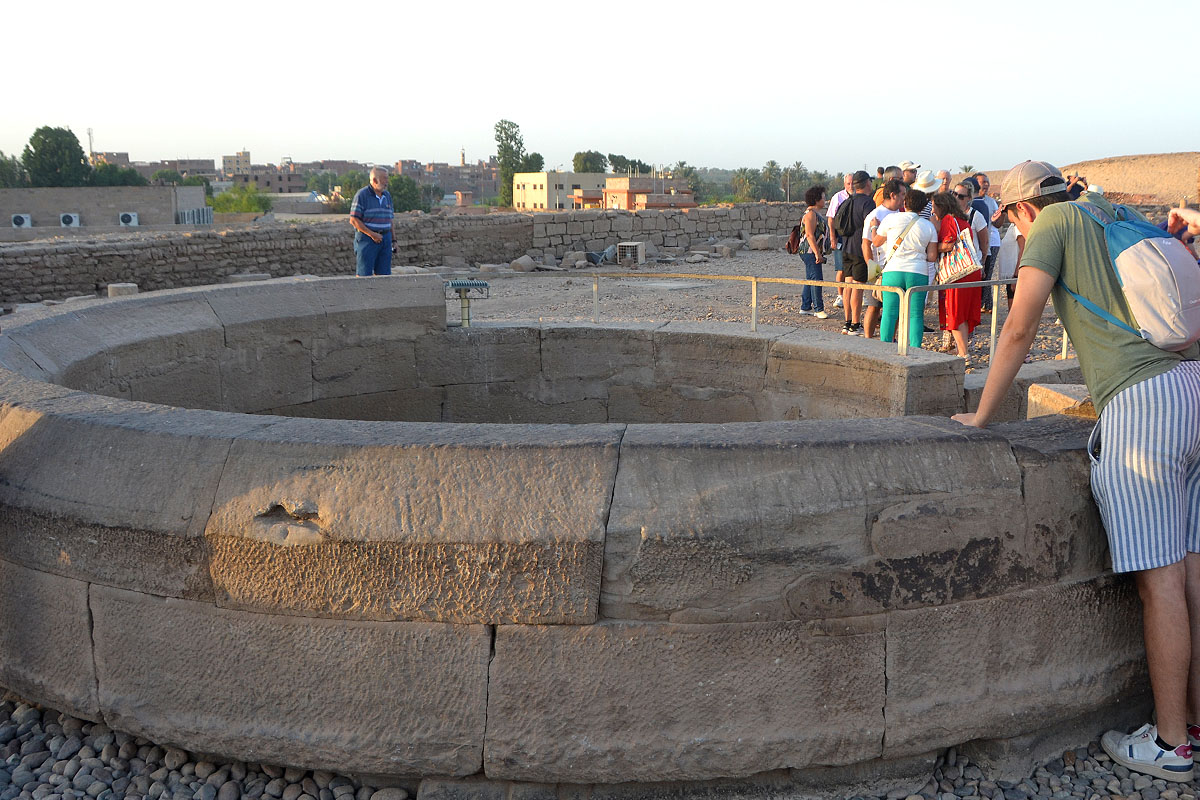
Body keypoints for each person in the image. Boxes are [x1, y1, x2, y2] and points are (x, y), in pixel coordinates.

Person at [953, 160, 1200, 783]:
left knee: (1161, 581)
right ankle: (1195, 721)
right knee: (1195, 572)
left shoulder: (1052, 225)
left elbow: (1019, 324)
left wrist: (983, 415)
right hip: (1193, 387)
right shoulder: (1116, 211)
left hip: (1143, 404)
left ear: (1019, 210)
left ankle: (1171, 743)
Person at [873, 189, 937, 349]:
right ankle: (915, 349)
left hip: (893, 270)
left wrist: (874, 227)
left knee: (889, 311)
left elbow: (876, 241)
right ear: (923, 207)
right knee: (915, 314)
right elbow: (932, 256)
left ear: (905, 203)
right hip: (918, 271)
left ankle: (885, 348)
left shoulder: (890, 219)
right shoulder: (928, 226)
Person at [931, 192, 982, 362]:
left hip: (958, 274)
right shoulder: (963, 220)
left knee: (955, 312)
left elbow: (947, 244)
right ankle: (963, 349)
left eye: (934, 206)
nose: (932, 209)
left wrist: (931, 247)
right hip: (970, 271)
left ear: (941, 206)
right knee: (965, 313)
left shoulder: (948, 220)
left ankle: (963, 352)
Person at [861, 180, 906, 338]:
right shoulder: (874, 215)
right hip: (879, 266)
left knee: (893, 308)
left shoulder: (901, 215)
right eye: (902, 195)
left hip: (896, 267)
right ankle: (868, 338)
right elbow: (866, 243)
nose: (904, 198)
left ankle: (890, 340)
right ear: (893, 195)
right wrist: (872, 267)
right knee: (874, 306)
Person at [836, 171, 877, 336]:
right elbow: (870, 225)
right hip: (860, 249)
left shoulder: (847, 201)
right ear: (867, 183)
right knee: (857, 288)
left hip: (846, 247)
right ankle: (855, 324)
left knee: (848, 285)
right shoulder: (868, 203)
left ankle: (847, 322)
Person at [349, 167, 395, 276]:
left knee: (384, 276)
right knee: (364, 275)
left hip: (385, 239)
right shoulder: (362, 195)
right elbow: (354, 220)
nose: (387, 182)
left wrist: (394, 240)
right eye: (384, 178)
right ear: (374, 180)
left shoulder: (387, 196)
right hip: (367, 240)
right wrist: (372, 234)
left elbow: (390, 220)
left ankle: (381, 293)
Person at [797, 185, 830, 319]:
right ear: (816, 199)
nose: (825, 200)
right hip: (810, 251)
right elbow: (810, 235)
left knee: (810, 278)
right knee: (817, 279)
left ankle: (805, 306)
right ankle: (818, 309)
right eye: (823, 197)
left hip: (812, 251)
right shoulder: (810, 214)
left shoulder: (815, 213)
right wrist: (817, 254)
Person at [972, 173, 1002, 311]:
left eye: (987, 182)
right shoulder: (970, 201)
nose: (985, 184)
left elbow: (998, 224)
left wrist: (1003, 212)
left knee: (987, 275)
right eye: (983, 182)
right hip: (974, 244)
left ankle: (982, 305)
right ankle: (985, 305)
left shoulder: (991, 202)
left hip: (991, 242)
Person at [827, 173, 855, 309]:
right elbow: (830, 218)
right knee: (841, 268)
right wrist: (832, 237)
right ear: (844, 184)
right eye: (848, 183)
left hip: (855, 238)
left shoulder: (859, 197)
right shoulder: (838, 197)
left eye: (853, 183)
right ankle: (841, 295)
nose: (851, 186)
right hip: (840, 238)